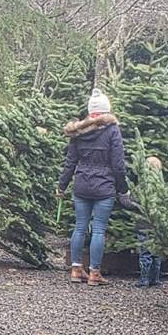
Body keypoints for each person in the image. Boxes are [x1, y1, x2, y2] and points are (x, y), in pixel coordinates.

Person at [58, 88, 129, 287]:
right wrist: (123, 188)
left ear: (90, 111)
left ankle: (75, 269)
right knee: (98, 230)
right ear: (107, 110)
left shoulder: (77, 131)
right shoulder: (112, 130)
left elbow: (70, 162)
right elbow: (118, 164)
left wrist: (62, 186)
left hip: (81, 185)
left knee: (80, 227)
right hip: (104, 186)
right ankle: (94, 273)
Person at [131, 156, 163, 288]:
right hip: (157, 226)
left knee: (145, 253)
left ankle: (144, 280)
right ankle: (155, 279)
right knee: (156, 254)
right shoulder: (161, 187)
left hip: (143, 225)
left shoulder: (142, 186)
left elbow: (133, 202)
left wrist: (124, 197)